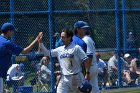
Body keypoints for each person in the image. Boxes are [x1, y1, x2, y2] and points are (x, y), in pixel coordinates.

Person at [38, 29, 91, 93]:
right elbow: (47, 53)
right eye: (61, 37)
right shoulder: (59, 49)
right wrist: (40, 43)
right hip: (64, 78)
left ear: (69, 37)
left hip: (76, 78)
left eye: (63, 37)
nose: (61, 39)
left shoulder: (76, 48)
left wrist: (87, 73)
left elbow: (86, 60)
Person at [0, 22, 42, 93]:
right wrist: (36, 39)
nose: (13, 33)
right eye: (12, 31)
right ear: (9, 31)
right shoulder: (7, 43)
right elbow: (25, 51)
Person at [74, 21, 100, 93]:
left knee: (82, 88)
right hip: (93, 66)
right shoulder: (87, 38)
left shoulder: (85, 39)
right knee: (94, 89)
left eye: (86, 29)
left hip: (89, 67)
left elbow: (89, 56)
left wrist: (87, 72)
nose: (86, 30)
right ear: (77, 29)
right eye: (84, 29)